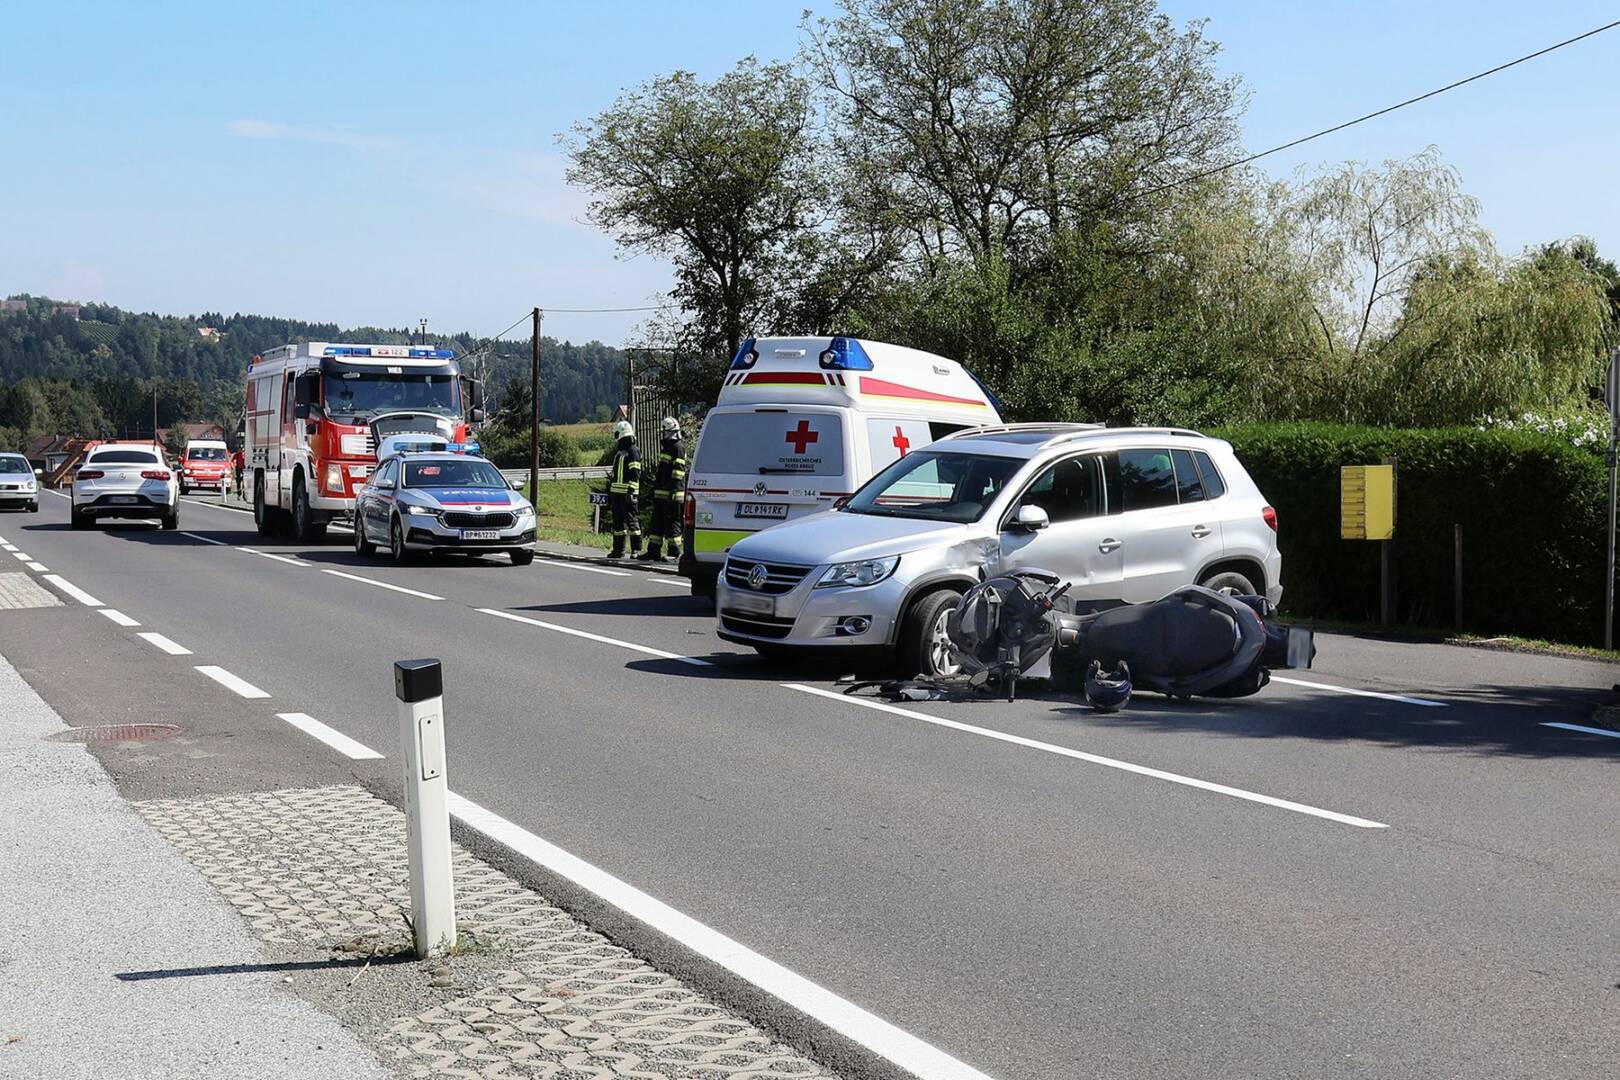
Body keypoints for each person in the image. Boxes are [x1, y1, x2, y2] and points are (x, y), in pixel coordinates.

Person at [639, 416, 687, 563]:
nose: (663, 434)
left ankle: (675, 552)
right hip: (662, 494)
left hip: (673, 495)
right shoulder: (668, 447)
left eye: (665, 432)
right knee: (657, 523)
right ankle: (653, 552)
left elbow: (678, 472)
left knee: (672, 523)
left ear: (670, 432)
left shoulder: (677, 448)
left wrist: (673, 491)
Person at [606, 419, 642, 559]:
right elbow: (615, 475)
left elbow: (635, 473)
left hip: (628, 494)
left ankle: (635, 550)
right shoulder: (620, 452)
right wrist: (611, 492)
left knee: (632, 523)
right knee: (618, 524)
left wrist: (631, 491)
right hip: (617, 494)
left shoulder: (633, 451)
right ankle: (618, 550)